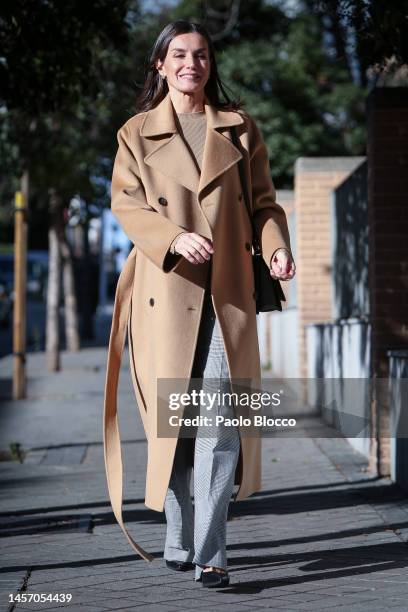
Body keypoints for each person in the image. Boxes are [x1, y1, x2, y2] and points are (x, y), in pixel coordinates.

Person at [103, 19, 296, 589]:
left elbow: (265, 205)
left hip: (227, 295)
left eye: (202, 55)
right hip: (165, 293)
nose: (192, 63)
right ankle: (179, 531)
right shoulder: (135, 133)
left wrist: (277, 249)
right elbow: (126, 204)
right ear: (160, 65)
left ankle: (213, 552)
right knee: (175, 426)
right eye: (180, 55)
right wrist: (171, 237)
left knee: (219, 422)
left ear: (211, 64)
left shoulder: (240, 130)